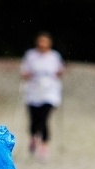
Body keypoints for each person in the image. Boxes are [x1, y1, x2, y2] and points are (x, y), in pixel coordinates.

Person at [20, 31, 64, 161]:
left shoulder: (54, 56)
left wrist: (60, 73)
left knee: (44, 119)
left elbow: (60, 71)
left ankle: (44, 145)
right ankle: (33, 137)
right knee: (34, 119)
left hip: (49, 92)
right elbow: (24, 71)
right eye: (41, 41)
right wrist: (27, 75)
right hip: (33, 92)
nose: (43, 44)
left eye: (45, 41)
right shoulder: (31, 55)